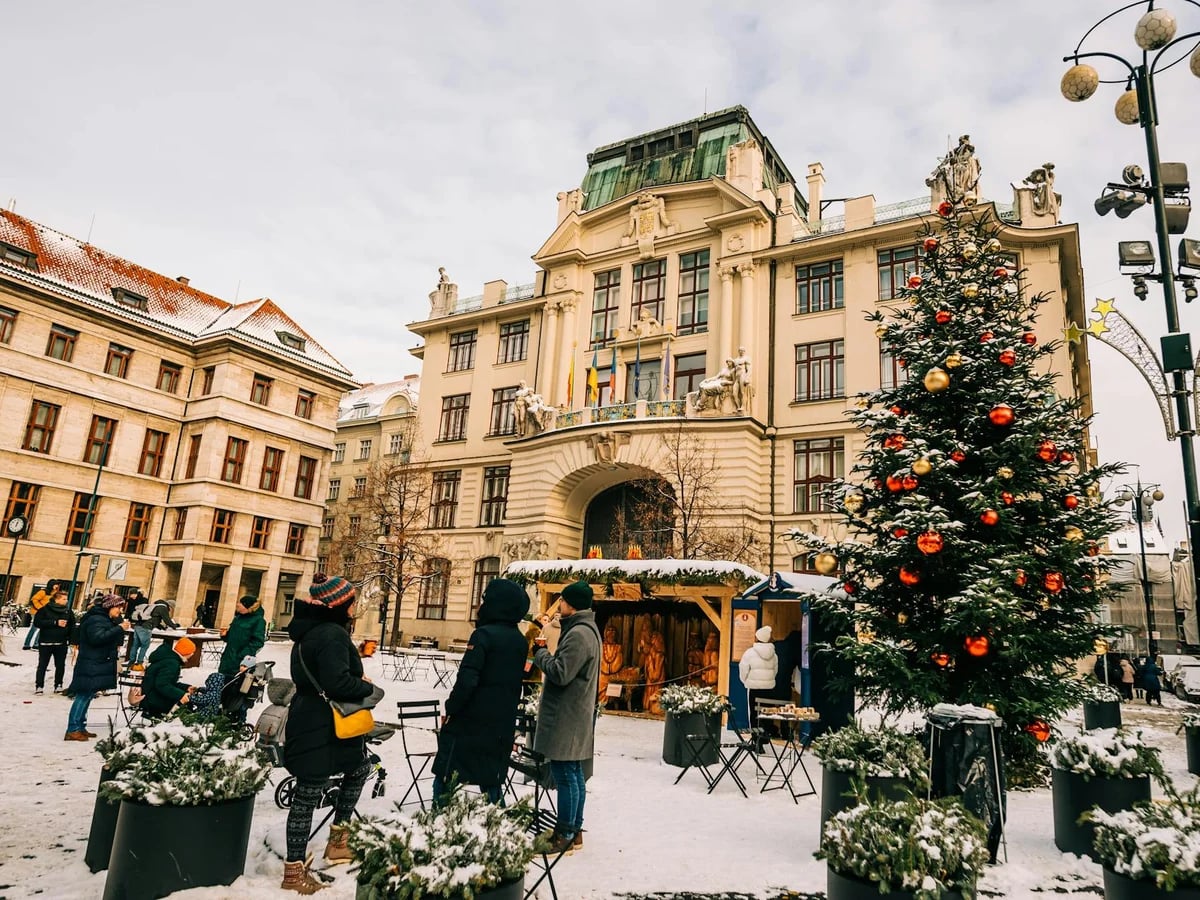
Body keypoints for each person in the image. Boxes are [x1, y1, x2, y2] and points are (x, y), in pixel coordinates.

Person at [281, 573, 377, 894]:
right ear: (340, 605)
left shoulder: (308, 632)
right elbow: (338, 682)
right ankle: (294, 871)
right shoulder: (333, 635)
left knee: (358, 768)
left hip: (311, 718)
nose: (354, 607)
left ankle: (338, 840)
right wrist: (366, 687)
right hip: (324, 723)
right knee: (308, 791)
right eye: (351, 602)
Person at [432, 578, 529, 805]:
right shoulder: (520, 640)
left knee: (446, 775)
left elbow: (467, 680)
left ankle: (438, 822)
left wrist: (452, 708)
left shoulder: (483, 635)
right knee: (491, 779)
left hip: (469, 722)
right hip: (500, 724)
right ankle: (499, 825)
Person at [532, 580, 601, 856]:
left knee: (565, 773)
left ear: (570, 604)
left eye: (561, 601)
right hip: (575, 712)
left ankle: (565, 833)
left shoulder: (578, 634)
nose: (558, 605)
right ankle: (575, 830)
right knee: (574, 773)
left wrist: (540, 655)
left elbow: (561, 672)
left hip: (567, 715)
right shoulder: (587, 630)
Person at [64, 595, 130, 741]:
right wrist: (118, 628)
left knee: (88, 695)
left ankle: (80, 726)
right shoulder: (97, 619)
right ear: (110, 606)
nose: (120, 610)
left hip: (96, 661)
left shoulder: (103, 619)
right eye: (118, 607)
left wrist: (117, 627)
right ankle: (73, 728)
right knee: (83, 695)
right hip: (92, 662)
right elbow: (97, 638)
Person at [139, 637, 198, 717]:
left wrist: (186, 688)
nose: (191, 655)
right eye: (191, 653)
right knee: (189, 703)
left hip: (150, 693)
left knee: (186, 698)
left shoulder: (167, 658)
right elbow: (162, 685)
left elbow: (167, 683)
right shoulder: (172, 663)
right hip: (153, 699)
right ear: (186, 653)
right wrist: (181, 695)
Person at [739, 625, 778, 735]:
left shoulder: (749, 653)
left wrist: (746, 681)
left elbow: (743, 670)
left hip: (754, 689)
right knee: (767, 715)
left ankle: (756, 741)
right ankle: (765, 739)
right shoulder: (774, 655)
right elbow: (775, 671)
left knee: (754, 715)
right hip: (769, 689)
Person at [33, 588, 74, 694]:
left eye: (66, 599)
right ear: (57, 599)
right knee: (43, 664)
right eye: (64, 599)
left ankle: (58, 684)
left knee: (60, 665)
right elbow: (37, 622)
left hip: (61, 642)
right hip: (46, 641)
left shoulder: (68, 611)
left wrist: (71, 639)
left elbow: (72, 626)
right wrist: (55, 622)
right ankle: (39, 685)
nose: (66, 601)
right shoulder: (45, 609)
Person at [219, 596, 267, 681]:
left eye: (240, 603)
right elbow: (231, 638)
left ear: (247, 606)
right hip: (227, 658)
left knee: (235, 686)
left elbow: (257, 642)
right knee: (222, 684)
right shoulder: (238, 618)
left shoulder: (258, 620)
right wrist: (225, 635)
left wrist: (241, 656)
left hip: (242, 661)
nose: (237, 604)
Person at [23, 580, 58, 650]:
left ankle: (36, 644)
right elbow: (34, 599)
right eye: (56, 585)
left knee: (42, 628)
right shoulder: (43, 592)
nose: (57, 586)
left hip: (45, 613)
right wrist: (40, 608)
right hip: (37, 612)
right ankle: (27, 644)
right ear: (52, 585)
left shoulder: (54, 594)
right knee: (34, 628)